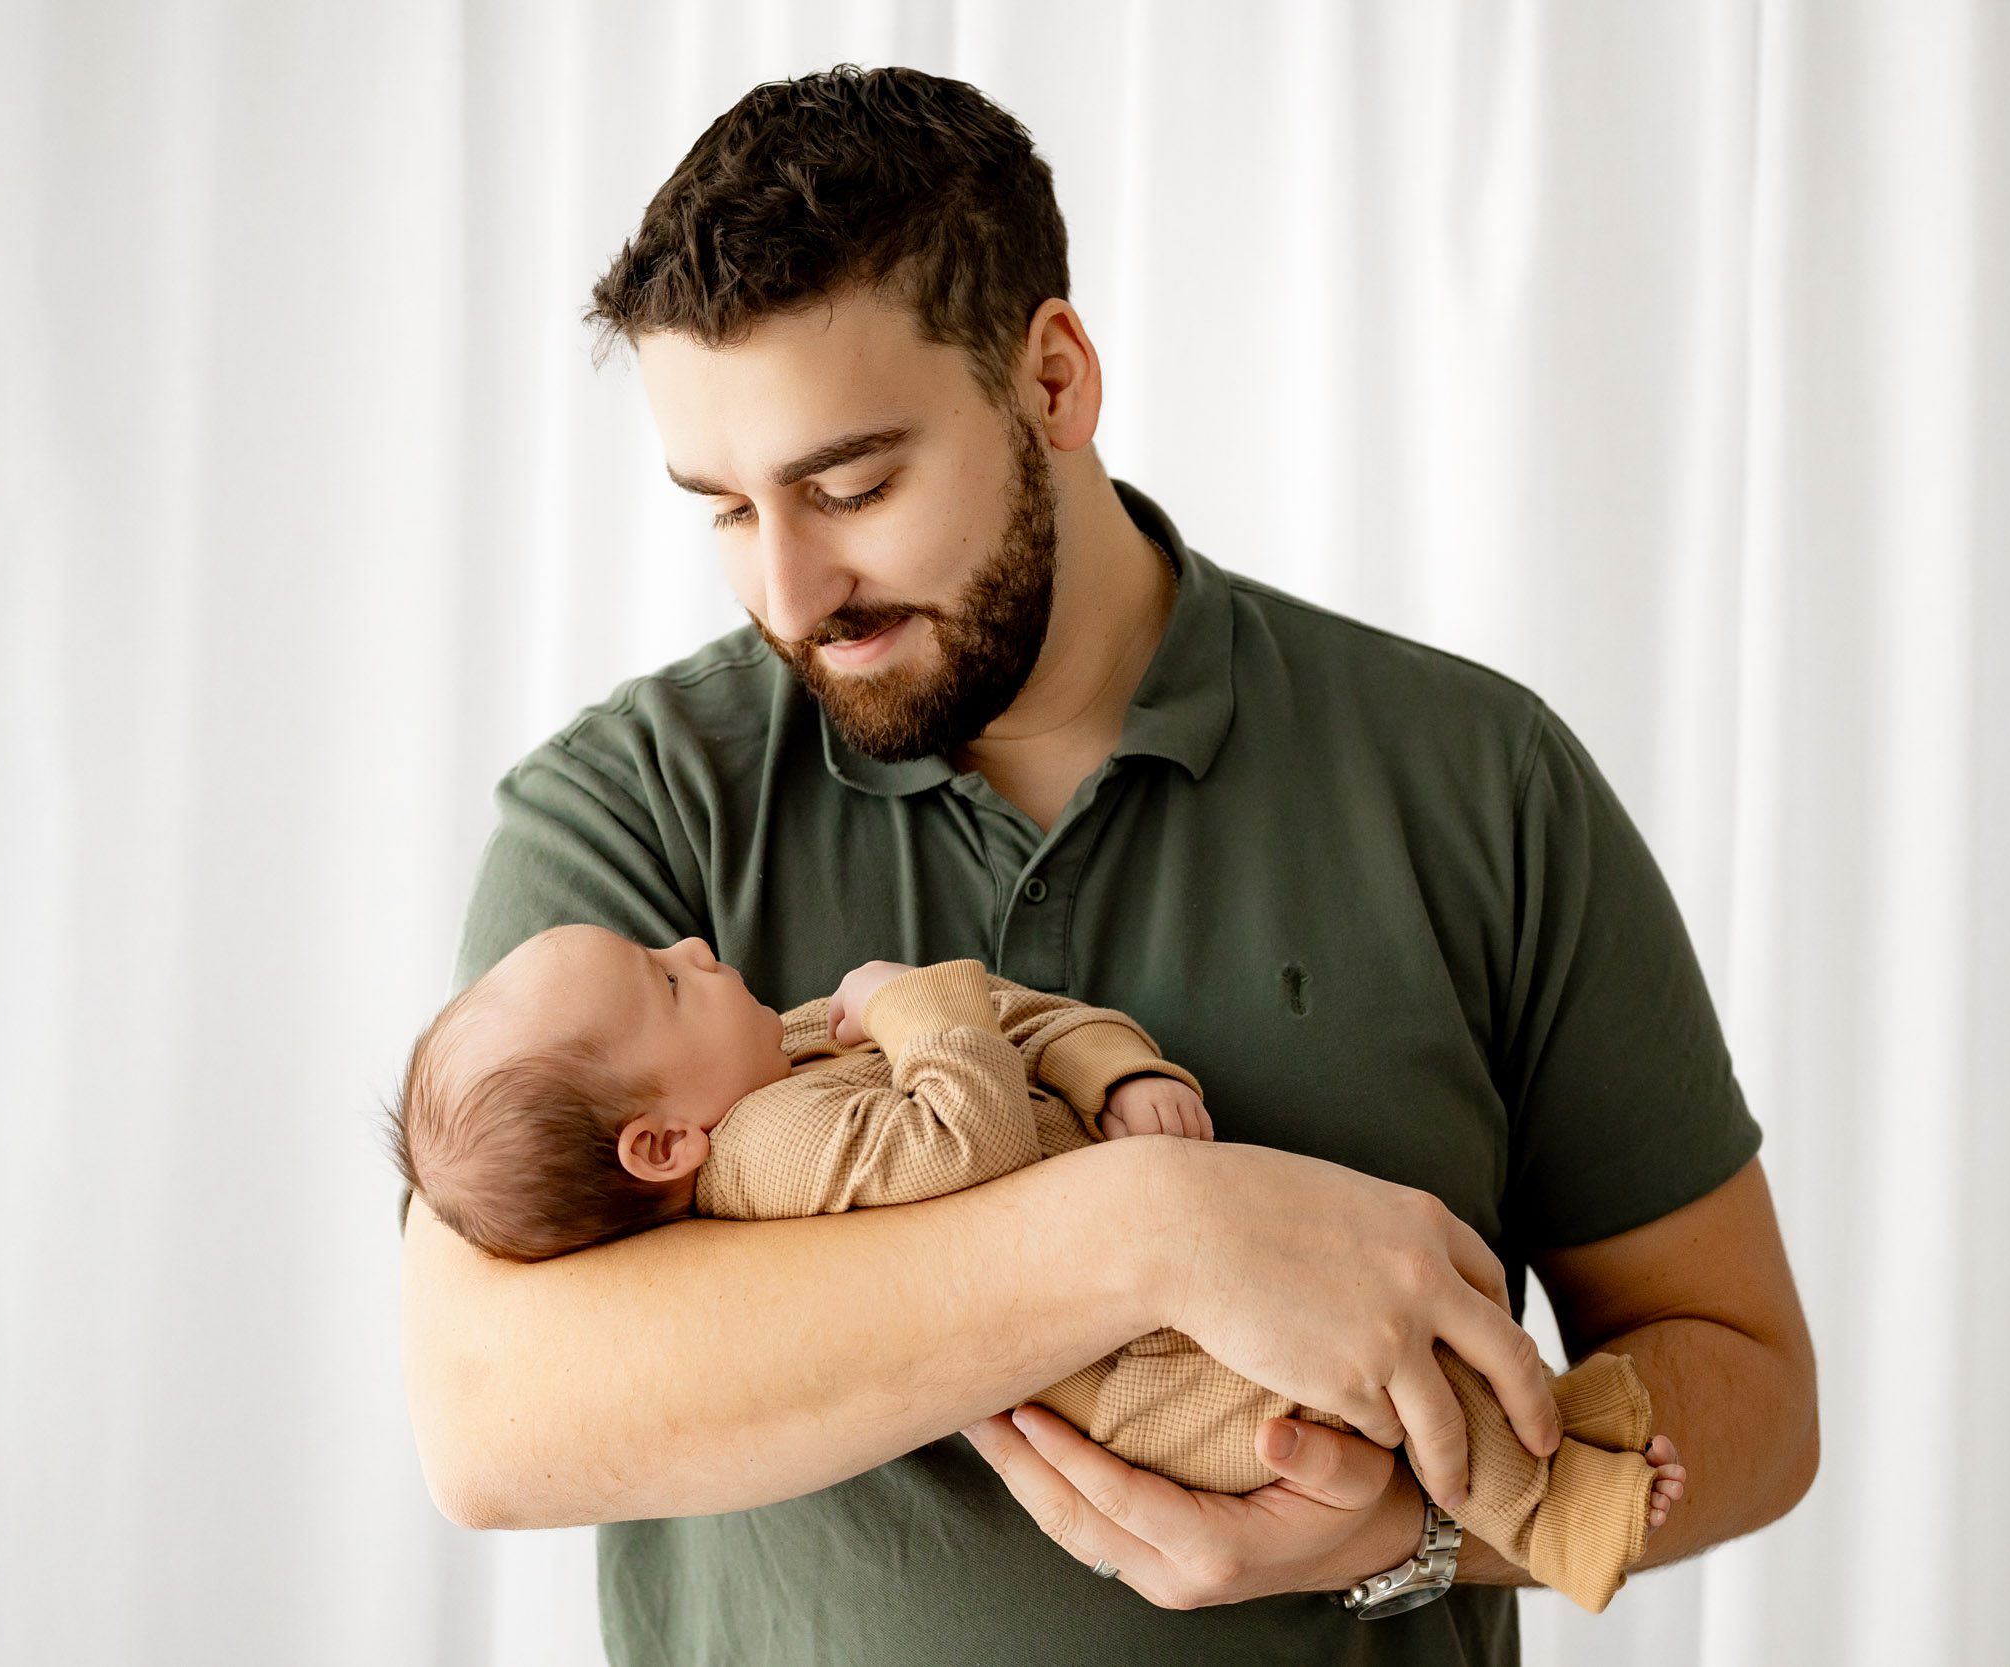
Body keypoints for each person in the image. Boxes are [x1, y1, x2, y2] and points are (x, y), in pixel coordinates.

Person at [396, 62, 1816, 1665]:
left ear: (1055, 380)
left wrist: (1416, 1532)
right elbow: (490, 1418)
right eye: (725, 508)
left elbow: (1750, 1387)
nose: (789, 590)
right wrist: (1152, 1231)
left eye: (851, 485)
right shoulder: (633, 814)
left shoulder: (1474, 779)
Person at [387, 929, 1688, 1610]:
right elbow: (972, 1130)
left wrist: (1117, 1069)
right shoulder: (770, 1151)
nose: (691, 950)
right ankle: (1560, 1502)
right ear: (662, 1143)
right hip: (1145, 1385)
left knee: (1400, 1374)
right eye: (662, 986)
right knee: (1386, 1400)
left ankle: (1575, 1443)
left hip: (1180, 1321)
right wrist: (910, 1006)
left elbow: (1013, 1021)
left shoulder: (775, 1055)